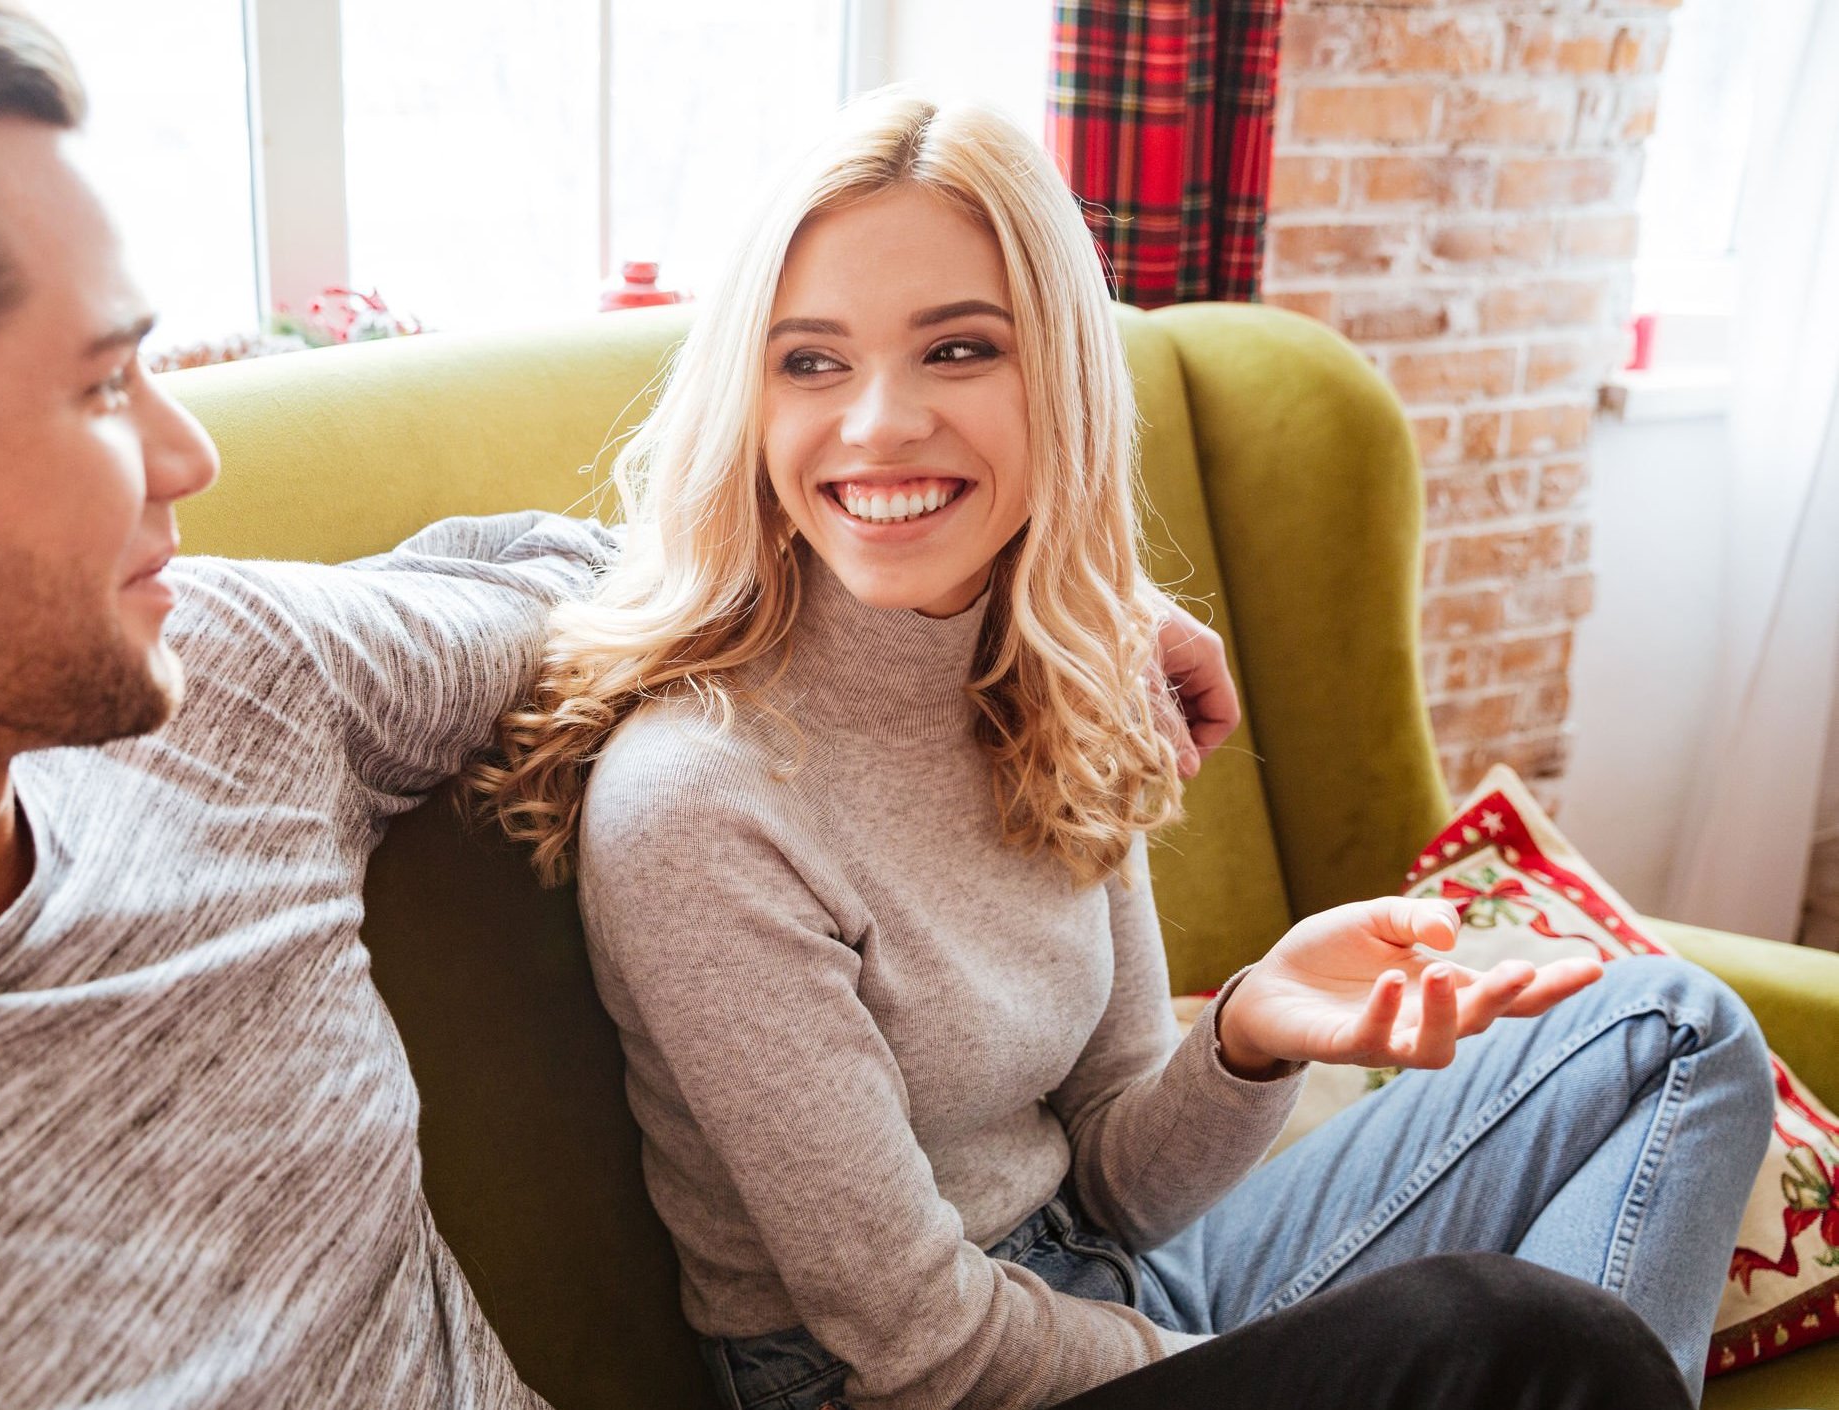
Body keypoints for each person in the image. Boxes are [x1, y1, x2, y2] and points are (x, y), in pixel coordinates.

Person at [0, 6, 1262, 1408]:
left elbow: (620, 576)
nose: (187, 451)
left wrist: (1077, 602)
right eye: (98, 388)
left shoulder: (238, 680)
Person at [472, 91, 1776, 1409]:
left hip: (1116, 1289)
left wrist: (1252, 1037)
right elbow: (920, 1343)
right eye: (811, 360)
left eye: (959, 349)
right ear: (748, 398)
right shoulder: (698, 799)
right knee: (1514, 1339)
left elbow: (1114, 1181)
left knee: (1675, 1027)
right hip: (920, 1382)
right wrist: (1281, 1375)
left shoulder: (1058, 680)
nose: (876, 423)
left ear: (1060, 377)